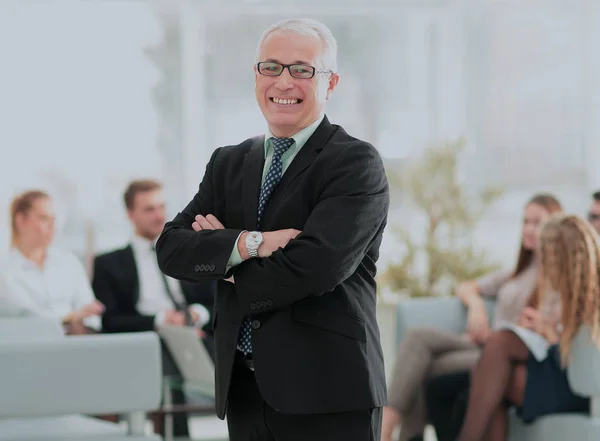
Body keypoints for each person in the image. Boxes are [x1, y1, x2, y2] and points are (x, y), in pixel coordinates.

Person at [155, 18, 389, 441]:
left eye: (302, 69)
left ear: (330, 82)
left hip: (328, 394)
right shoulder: (227, 162)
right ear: (256, 75)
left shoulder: (354, 163)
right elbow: (171, 248)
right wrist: (251, 244)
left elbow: (315, 266)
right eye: (272, 67)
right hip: (245, 392)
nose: (284, 81)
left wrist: (221, 259)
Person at [381, 193, 563, 441]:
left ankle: (395, 432)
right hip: (484, 341)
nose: (529, 229)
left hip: (501, 356)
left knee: (426, 364)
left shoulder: (559, 279)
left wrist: (537, 326)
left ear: (554, 226)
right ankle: (387, 425)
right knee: (418, 338)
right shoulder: (515, 273)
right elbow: (467, 287)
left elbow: (556, 333)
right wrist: (477, 308)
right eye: (525, 222)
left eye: (537, 222)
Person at [456, 213, 600, 441]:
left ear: (562, 257)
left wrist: (549, 333)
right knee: (494, 369)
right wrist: (545, 328)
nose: (544, 265)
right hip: (561, 369)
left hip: (575, 385)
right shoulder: (574, 290)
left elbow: (583, 362)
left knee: (496, 357)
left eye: (547, 257)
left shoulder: (591, 297)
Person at [92, 179, 215, 438]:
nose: (159, 215)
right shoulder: (109, 264)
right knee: (158, 358)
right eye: (149, 209)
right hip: (146, 341)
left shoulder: (189, 250)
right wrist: (161, 320)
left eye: (161, 206)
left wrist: (196, 314)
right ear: (130, 214)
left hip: (196, 337)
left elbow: (217, 301)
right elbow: (110, 321)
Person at [0, 190, 102, 334]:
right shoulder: (4, 271)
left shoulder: (68, 262)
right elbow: (26, 318)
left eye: (53, 219)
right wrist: (68, 319)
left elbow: (89, 310)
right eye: (43, 218)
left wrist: (83, 325)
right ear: (21, 220)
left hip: (75, 345)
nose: (52, 227)